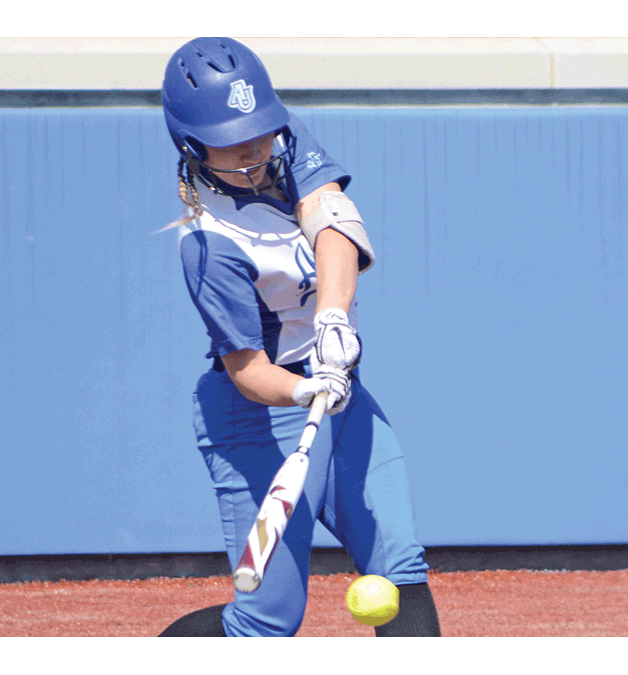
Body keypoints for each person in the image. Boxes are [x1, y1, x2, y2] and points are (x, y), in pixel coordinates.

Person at [156, 37, 441, 637]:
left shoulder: (279, 142)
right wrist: (304, 393)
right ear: (192, 145)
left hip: (340, 388)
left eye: (259, 132)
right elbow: (248, 370)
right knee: (268, 621)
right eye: (232, 144)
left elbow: (332, 217)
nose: (253, 152)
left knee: (400, 569)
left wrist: (333, 317)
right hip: (261, 415)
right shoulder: (207, 247)